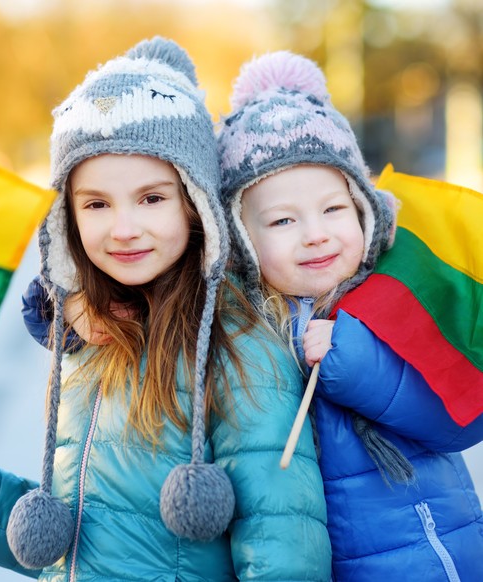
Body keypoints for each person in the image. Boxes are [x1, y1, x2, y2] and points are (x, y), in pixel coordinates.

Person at [0, 38, 332, 581]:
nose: (124, 228)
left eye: (152, 198)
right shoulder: (91, 338)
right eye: (97, 204)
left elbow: (284, 548)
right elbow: (78, 539)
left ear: (194, 202)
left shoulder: (240, 349)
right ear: (68, 218)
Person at [216, 50, 483, 581]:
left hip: (432, 554)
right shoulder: (241, 326)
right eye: (283, 219)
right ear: (242, 239)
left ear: (364, 209)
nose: (315, 233)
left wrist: (356, 359)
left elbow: (461, 419)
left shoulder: (391, 300)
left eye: (334, 209)